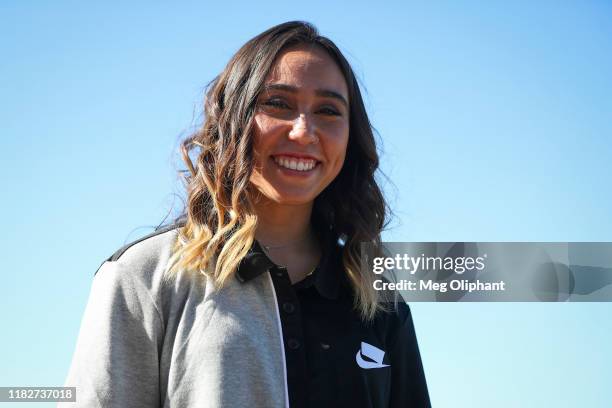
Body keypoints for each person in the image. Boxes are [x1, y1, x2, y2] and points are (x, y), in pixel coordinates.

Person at [61, 21, 430, 408]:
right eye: (278, 104)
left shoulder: (379, 300)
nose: (304, 132)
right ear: (232, 118)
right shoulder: (144, 277)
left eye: (328, 110)